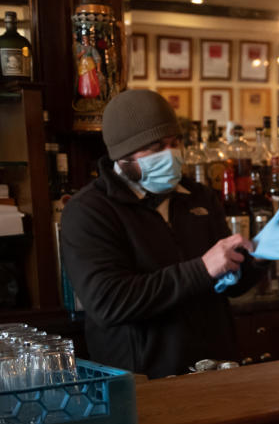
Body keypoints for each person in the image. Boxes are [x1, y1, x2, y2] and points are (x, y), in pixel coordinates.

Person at [60, 89, 260, 378]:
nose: (171, 155)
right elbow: (109, 302)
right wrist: (202, 269)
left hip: (218, 371)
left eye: (175, 142)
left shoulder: (197, 196)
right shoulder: (88, 211)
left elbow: (230, 286)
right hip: (144, 381)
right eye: (155, 148)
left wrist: (258, 259)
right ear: (123, 156)